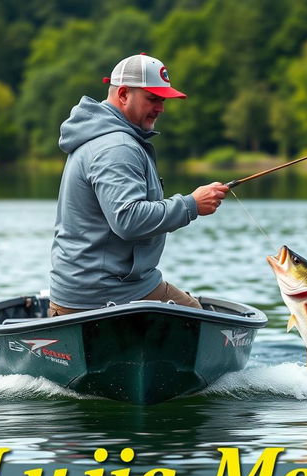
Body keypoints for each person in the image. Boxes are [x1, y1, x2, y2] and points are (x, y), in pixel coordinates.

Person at [48, 53, 229, 317]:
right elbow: (129, 220)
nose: (161, 108)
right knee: (198, 316)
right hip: (110, 295)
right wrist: (192, 205)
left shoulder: (97, 135)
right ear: (123, 94)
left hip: (74, 292)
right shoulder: (117, 146)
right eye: (152, 99)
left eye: (163, 99)